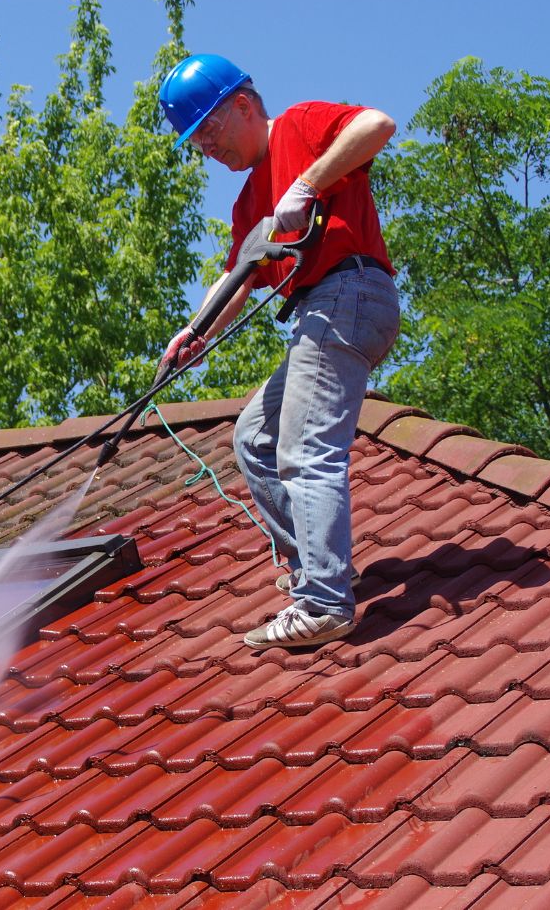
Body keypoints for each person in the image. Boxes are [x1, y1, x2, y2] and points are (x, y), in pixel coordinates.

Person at [156, 53, 401, 650]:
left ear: (242, 105)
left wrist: (309, 183)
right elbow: (240, 276)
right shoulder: (248, 204)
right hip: (324, 310)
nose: (206, 149)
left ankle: (324, 601)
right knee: (255, 440)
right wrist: (196, 331)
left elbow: (378, 124)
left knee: (303, 447)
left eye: (208, 130)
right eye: (196, 142)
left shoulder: (299, 125)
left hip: (349, 291)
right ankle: (316, 571)